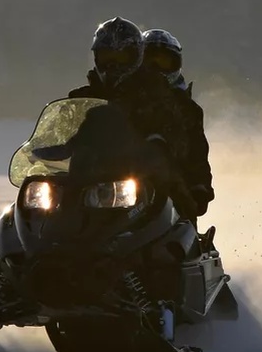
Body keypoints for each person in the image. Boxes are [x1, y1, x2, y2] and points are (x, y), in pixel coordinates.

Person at [68, 17, 202, 218]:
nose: (113, 65)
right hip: (89, 185)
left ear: (136, 58)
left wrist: (196, 188)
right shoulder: (82, 98)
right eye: (106, 57)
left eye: (121, 57)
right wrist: (46, 154)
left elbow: (183, 145)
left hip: (145, 187)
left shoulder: (157, 96)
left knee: (178, 213)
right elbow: (60, 135)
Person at [140, 28, 215, 216]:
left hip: (174, 191)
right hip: (127, 184)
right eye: (150, 62)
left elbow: (197, 154)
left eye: (163, 62)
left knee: (184, 226)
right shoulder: (123, 98)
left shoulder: (188, 109)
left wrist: (200, 188)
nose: (156, 69)